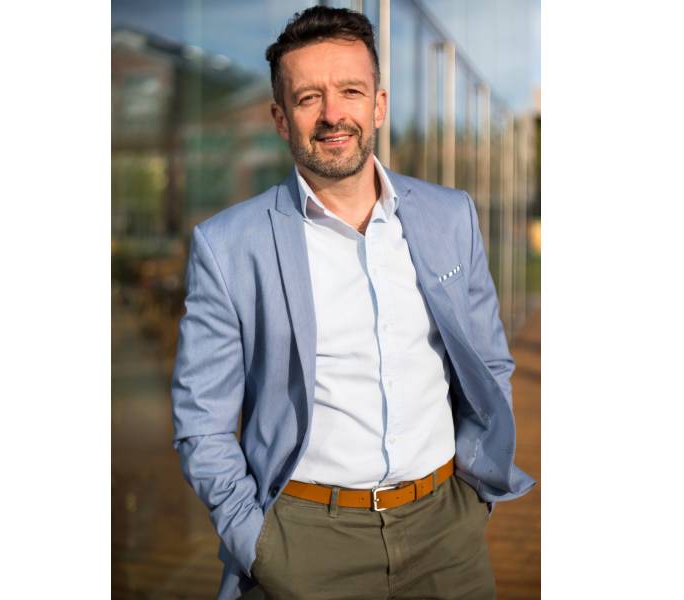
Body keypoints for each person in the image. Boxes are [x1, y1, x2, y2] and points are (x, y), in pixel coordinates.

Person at [171, 6, 534, 600]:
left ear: (379, 106)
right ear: (280, 118)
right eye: (308, 97)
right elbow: (200, 420)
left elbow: (488, 362)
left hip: (447, 534)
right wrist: (256, 544)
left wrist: (471, 496)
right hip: (305, 542)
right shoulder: (227, 245)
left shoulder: (450, 215)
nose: (332, 114)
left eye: (350, 91)